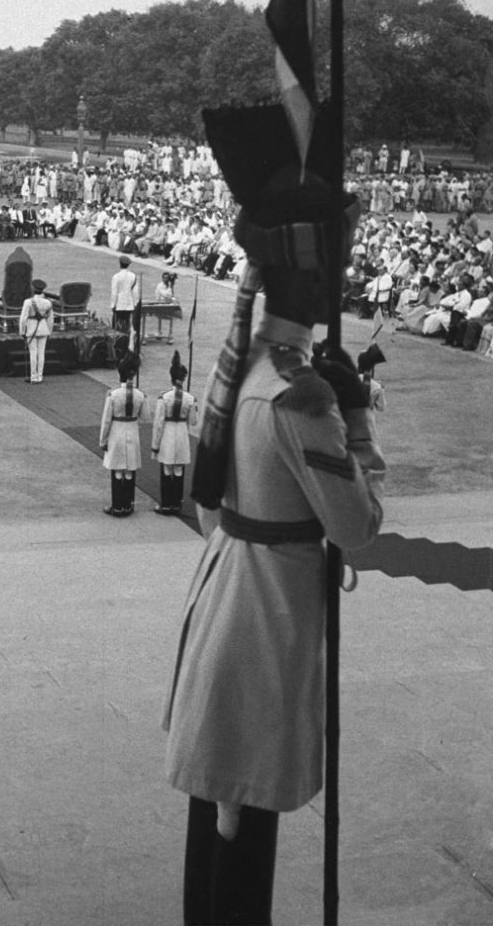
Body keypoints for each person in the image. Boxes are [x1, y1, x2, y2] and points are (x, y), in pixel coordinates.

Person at [165, 158, 385, 924]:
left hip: (233, 590)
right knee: (243, 829)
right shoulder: (302, 394)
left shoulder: (251, 363)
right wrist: (353, 416)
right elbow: (358, 525)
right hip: (265, 621)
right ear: (315, 283)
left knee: (220, 823)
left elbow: (206, 502)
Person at [98, 352, 150, 516]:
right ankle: (128, 505)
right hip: (132, 430)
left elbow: (106, 421)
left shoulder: (113, 395)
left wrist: (103, 440)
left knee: (117, 469)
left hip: (116, 432)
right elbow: (146, 417)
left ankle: (117, 505)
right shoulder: (140, 395)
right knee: (129, 470)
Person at [150, 352, 198, 515]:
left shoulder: (164, 398)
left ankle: (166, 503)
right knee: (178, 470)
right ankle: (177, 504)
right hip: (182, 434)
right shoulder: (190, 398)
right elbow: (193, 421)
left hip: (168, 434)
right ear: (184, 379)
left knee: (167, 469)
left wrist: (155, 446)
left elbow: (158, 424)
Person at [18, 278, 54, 383]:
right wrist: (50, 331)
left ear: (33, 289)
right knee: (41, 353)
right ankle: (40, 376)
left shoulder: (28, 302)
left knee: (33, 353)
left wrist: (22, 331)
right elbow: (50, 319)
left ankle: (33, 376)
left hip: (31, 328)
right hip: (43, 328)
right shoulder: (48, 302)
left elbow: (23, 319)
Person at [110, 255, 139, 331]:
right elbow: (135, 292)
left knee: (116, 326)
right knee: (127, 324)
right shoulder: (133, 276)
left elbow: (114, 293)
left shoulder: (116, 277)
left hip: (119, 304)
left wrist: (113, 304)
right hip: (129, 304)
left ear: (120, 264)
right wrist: (135, 304)